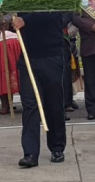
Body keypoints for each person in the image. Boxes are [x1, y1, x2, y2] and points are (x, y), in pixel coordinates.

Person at [12, 13, 67, 168]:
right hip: (27, 54)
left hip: (51, 53)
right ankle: (30, 152)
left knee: (53, 102)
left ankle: (57, 147)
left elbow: (54, 14)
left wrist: (26, 20)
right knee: (30, 104)